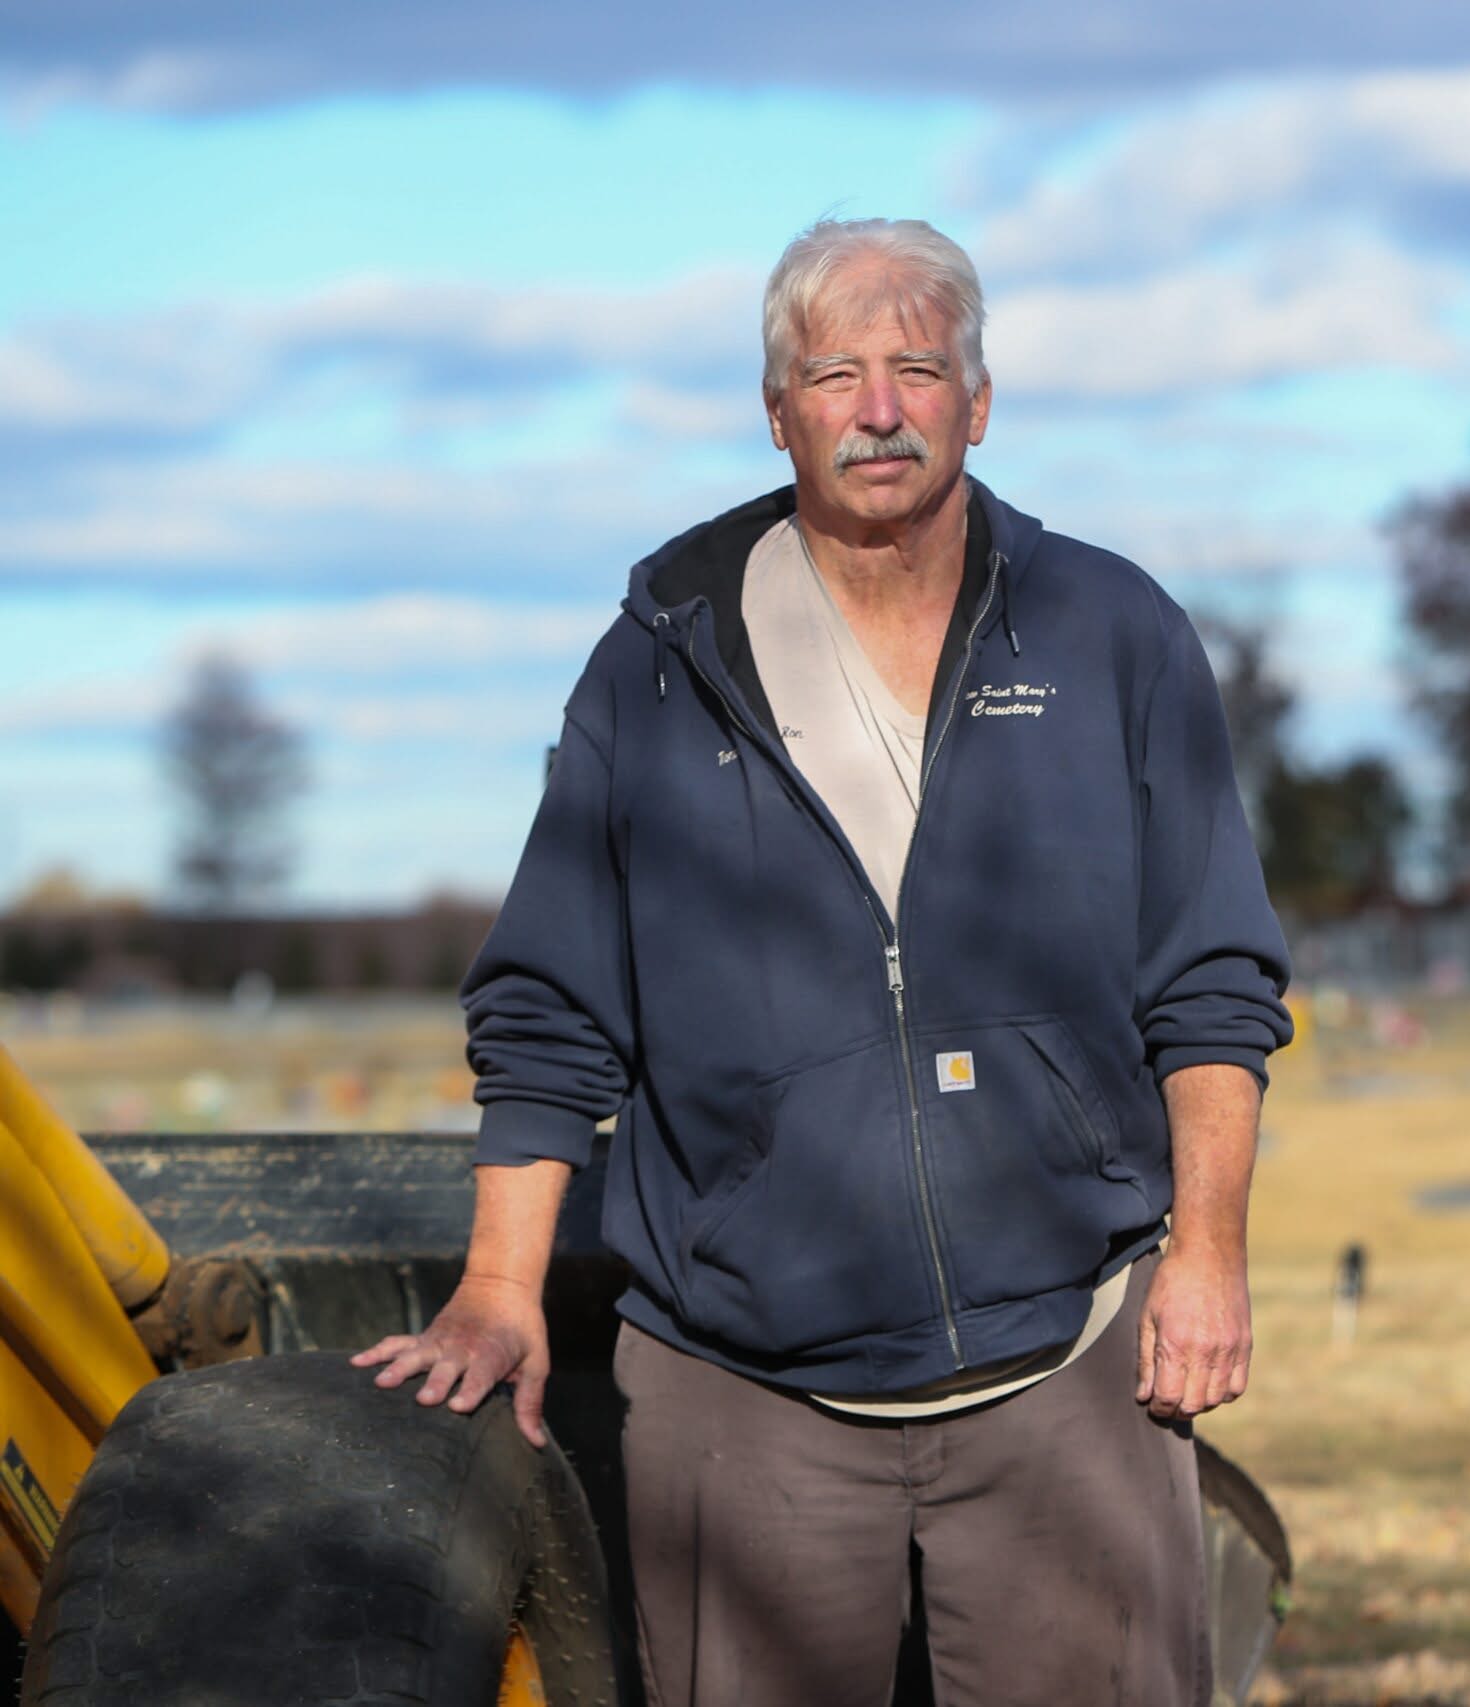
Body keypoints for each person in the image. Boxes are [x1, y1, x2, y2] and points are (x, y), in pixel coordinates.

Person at [353, 216, 1293, 1707]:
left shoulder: (1109, 630)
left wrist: (1211, 1255)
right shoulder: (660, 666)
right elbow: (548, 1009)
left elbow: (1213, 981)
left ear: (979, 403)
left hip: (1068, 1370)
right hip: (744, 1400)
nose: (879, 408)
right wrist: (498, 1286)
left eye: (918, 368)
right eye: (835, 374)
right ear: (777, 410)